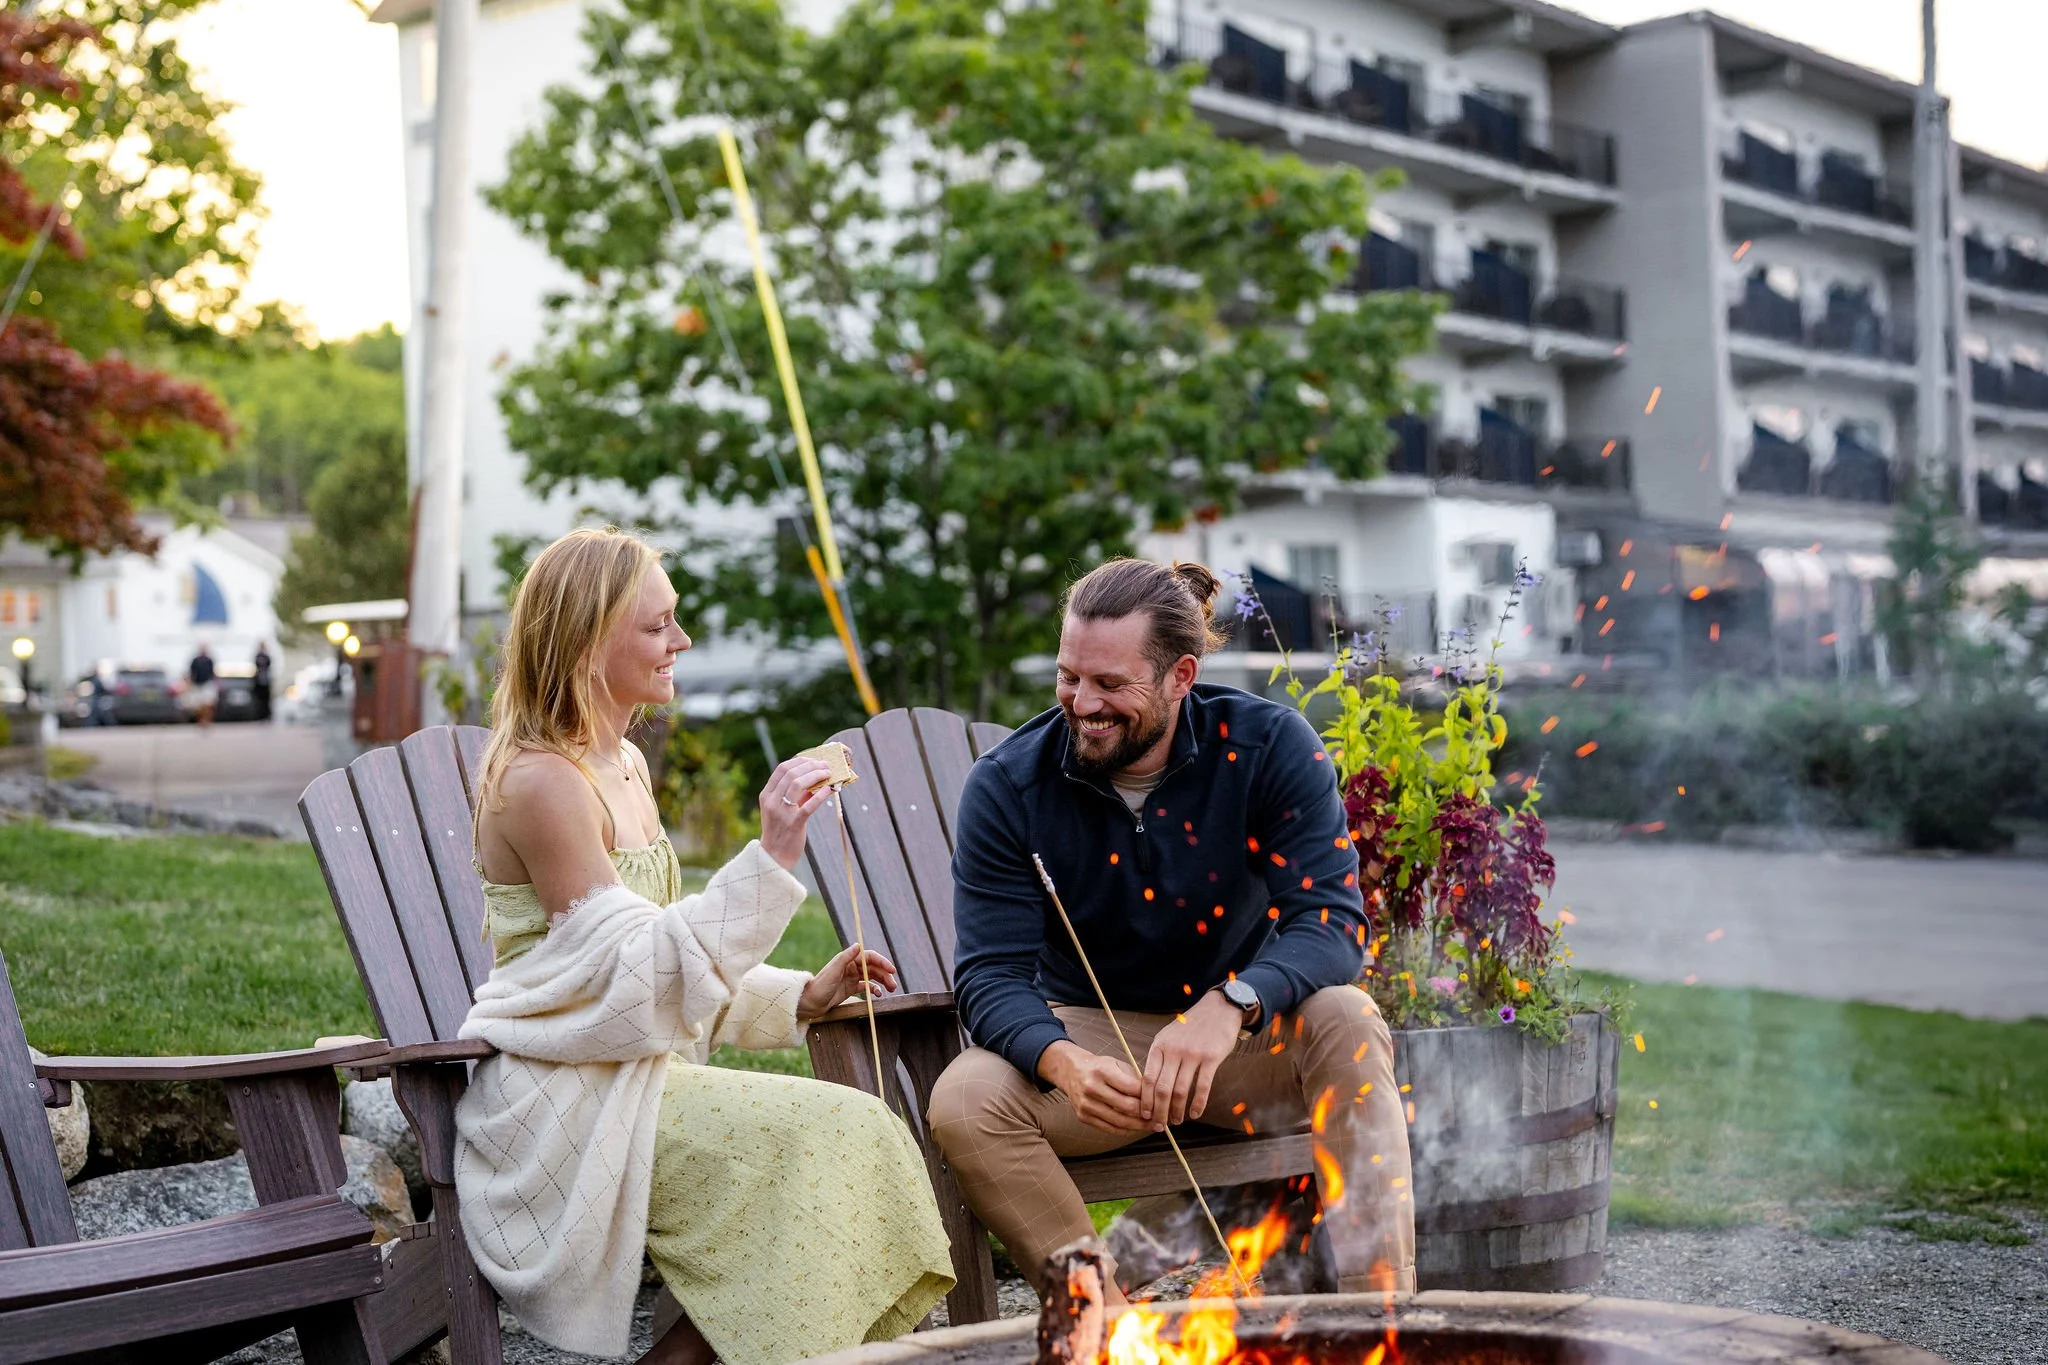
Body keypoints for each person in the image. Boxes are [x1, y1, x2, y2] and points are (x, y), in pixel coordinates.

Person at [459, 527, 953, 1365]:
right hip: (568, 1100)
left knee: (854, 1128)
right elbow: (631, 983)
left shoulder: (621, 765)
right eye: (658, 626)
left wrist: (801, 995)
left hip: (637, 1073)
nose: (680, 642)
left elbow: (664, 957)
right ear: (586, 639)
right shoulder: (544, 781)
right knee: (826, 1131)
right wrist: (771, 858)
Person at [927, 557, 1416, 1300]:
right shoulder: (1007, 784)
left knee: (1348, 1016)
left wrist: (1236, 1001)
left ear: (1180, 675)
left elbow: (1332, 920)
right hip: (1092, 1050)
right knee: (965, 1099)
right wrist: (1059, 1060)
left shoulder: (1270, 746)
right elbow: (989, 974)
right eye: (1068, 677)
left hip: (1244, 1047)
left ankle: (1380, 1317)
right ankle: (1108, 1330)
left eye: (1110, 684)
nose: (1081, 702)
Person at [186, 642, 217, 730]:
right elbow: (191, 673)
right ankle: (200, 721)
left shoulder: (209, 660)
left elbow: (213, 672)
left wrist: (216, 683)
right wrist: (189, 684)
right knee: (198, 705)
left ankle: (207, 720)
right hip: (197, 684)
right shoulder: (195, 660)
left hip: (207, 683)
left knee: (208, 704)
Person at [251, 641, 272, 721]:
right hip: (259, 681)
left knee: (266, 699)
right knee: (259, 699)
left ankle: (267, 715)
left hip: (265, 680)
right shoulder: (257, 656)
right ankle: (260, 715)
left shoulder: (267, 656)